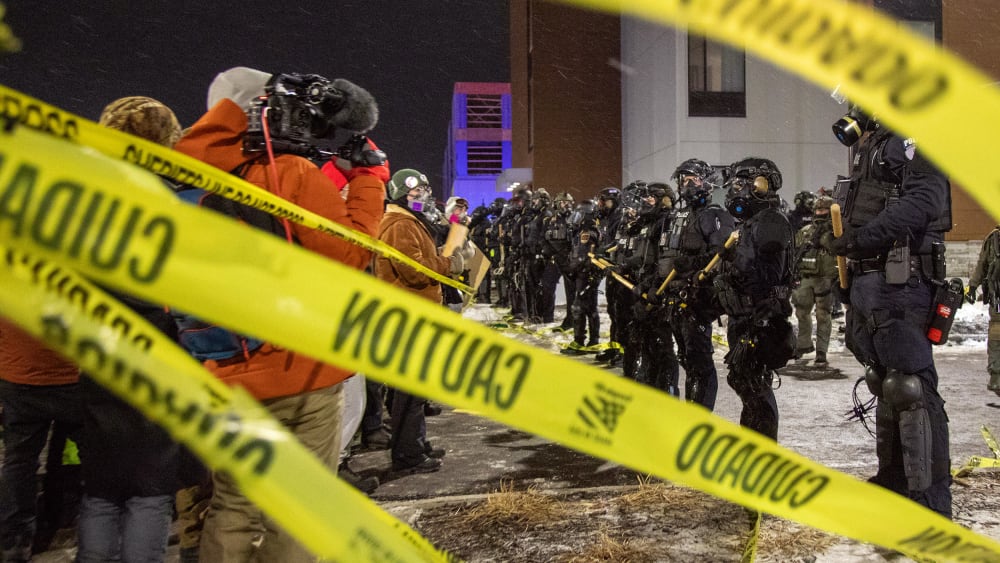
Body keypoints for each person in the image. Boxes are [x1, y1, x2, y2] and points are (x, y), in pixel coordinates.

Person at [173, 66, 388, 562]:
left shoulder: (179, 179)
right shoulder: (286, 173)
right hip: (299, 368)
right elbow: (351, 253)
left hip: (221, 365)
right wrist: (369, 179)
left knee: (234, 502)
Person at [73, 95, 189, 563]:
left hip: (97, 355)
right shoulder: (172, 201)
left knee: (101, 489)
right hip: (156, 353)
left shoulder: (82, 198)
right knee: (150, 489)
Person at [826, 104, 953, 518]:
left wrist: (864, 238)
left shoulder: (916, 137)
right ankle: (895, 486)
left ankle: (933, 509)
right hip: (872, 282)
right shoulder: (874, 146)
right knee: (885, 382)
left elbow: (924, 202)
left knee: (912, 388)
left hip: (902, 281)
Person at [374, 168, 469, 474]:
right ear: (403, 194)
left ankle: (413, 442)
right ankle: (407, 455)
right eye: (417, 193)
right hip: (409, 316)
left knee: (411, 391)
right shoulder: (400, 224)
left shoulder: (407, 221)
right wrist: (447, 263)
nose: (424, 198)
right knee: (409, 392)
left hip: (412, 314)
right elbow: (415, 270)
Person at [713, 157, 796, 440]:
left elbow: (768, 274)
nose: (740, 189)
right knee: (745, 382)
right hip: (745, 316)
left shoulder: (770, 220)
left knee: (755, 386)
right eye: (737, 183)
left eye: (747, 183)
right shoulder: (750, 223)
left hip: (759, 318)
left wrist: (761, 311)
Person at [0, 319, 82, 563]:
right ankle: (93, 532)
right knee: (95, 457)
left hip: (18, 377)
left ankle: (15, 543)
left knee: (19, 461)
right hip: (72, 378)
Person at [656, 158, 736, 410]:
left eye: (694, 179)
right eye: (683, 180)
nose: (687, 185)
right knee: (686, 358)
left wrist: (691, 265)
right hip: (675, 297)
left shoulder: (715, 215)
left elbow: (721, 254)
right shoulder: (680, 216)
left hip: (698, 298)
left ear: (707, 183)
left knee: (699, 361)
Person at [791, 194, 838, 365]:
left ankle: (821, 352)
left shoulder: (835, 232)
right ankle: (803, 346)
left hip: (826, 278)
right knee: (802, 312)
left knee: (823, 316)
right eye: (818, 209)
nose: (820, 212)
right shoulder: (806, 231)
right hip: (806, 277)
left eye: (824, 209)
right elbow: (796, 251)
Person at [969, 225, 1000, 397]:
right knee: (996, 337)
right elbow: (982, 264)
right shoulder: (993, 240)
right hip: (998, 299)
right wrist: (973, 286)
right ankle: (996, 376)